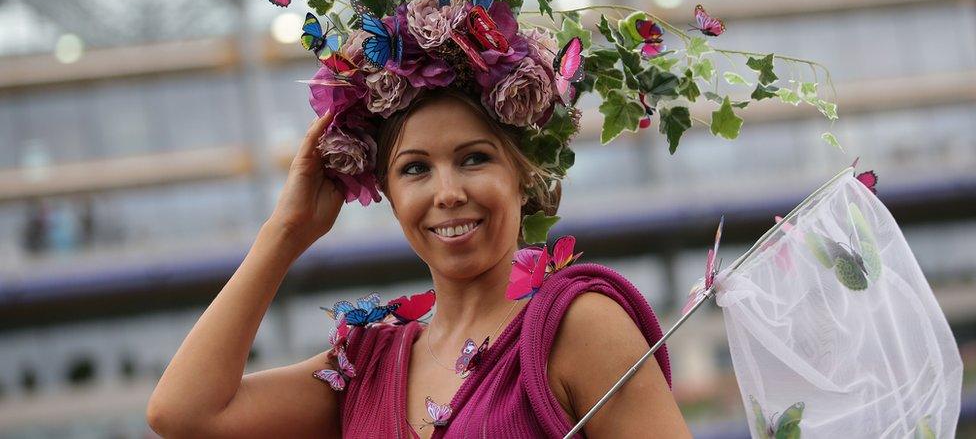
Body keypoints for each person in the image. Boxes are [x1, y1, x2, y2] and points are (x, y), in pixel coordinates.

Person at [146, 88, 690, 437]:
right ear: (386, 193)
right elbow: (184, 413)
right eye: (415, 169)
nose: (448, 193)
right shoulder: (366, 367)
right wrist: (285, 233)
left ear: (523, 177)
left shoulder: (576, 324)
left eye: (474, 159)